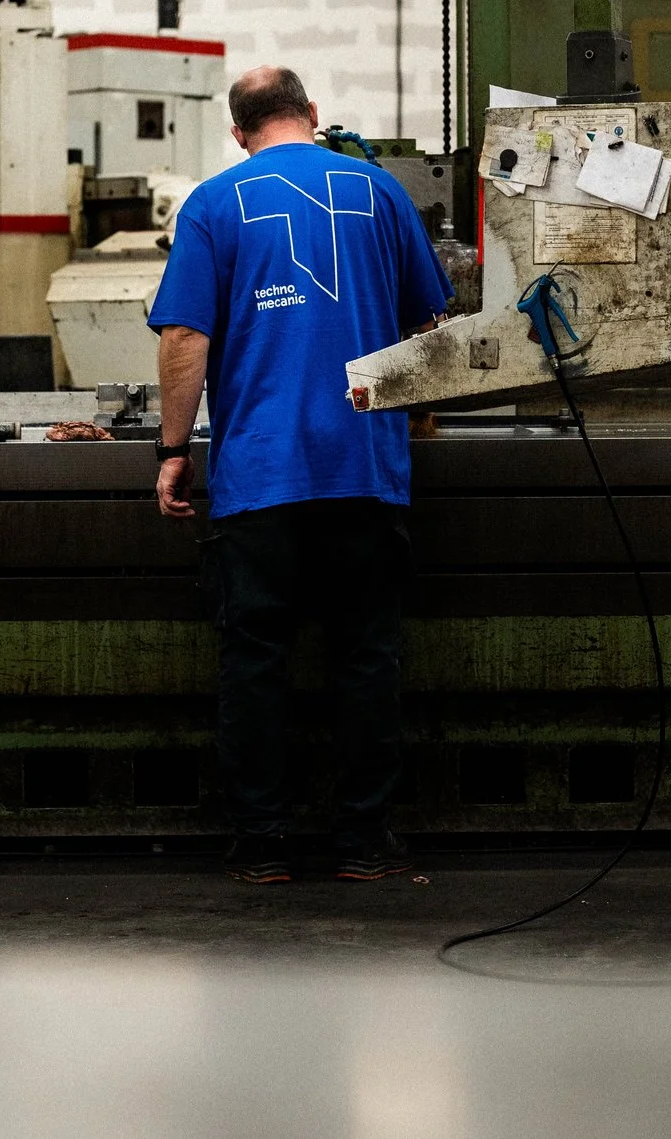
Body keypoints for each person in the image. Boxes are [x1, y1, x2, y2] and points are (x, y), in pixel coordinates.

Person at [148, 66, 453, 884]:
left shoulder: (213, 203)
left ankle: (262, 843)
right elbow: (431, 323)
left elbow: (183, 339)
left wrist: (173, 450)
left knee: (255, 660)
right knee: (366, 658)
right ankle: (360, 841)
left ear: (238, 131)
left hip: (259, 475)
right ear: (312, 115)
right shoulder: (378, 191)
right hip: (364, 467)